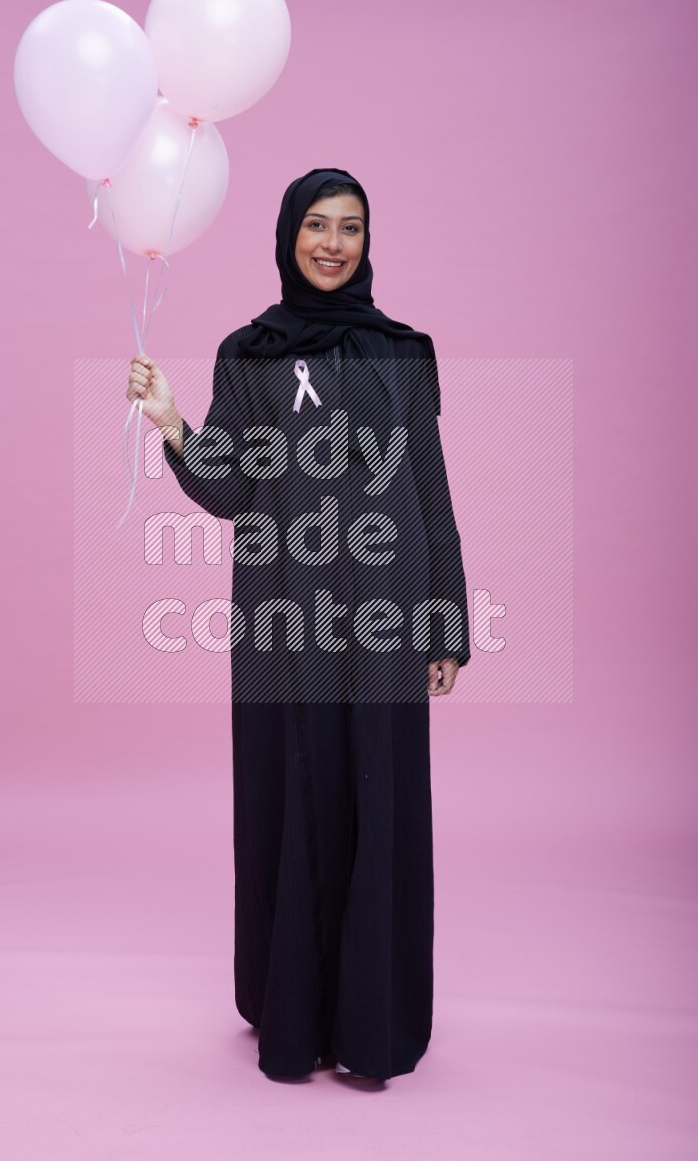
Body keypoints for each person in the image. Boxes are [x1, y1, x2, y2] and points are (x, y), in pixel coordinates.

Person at [125, 167, 471, 1082]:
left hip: (392, 619)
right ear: (287, 236)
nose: (331, 243)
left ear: (367, 241)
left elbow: (430, 493)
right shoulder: (251, 352)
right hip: (285, 621)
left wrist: (447, 625)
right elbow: (234, 488)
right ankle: (293, 1010)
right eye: (315, 225)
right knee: (295, 797)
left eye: (349, 227)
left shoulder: (406, 351)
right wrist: (172, 426)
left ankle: (374, 1023)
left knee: (378, 799)